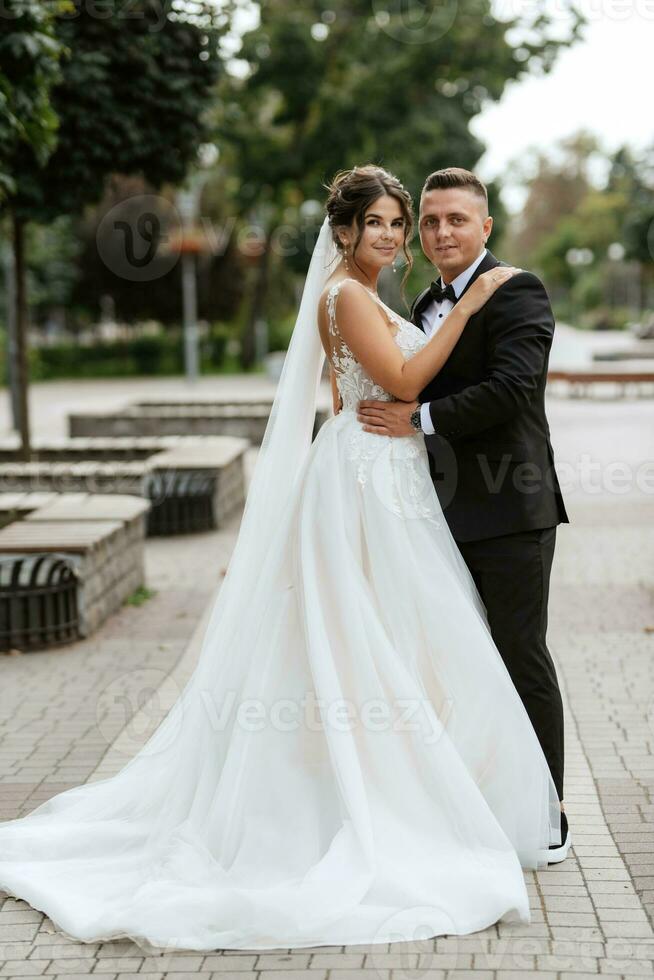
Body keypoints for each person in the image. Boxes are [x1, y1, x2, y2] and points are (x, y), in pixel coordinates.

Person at [0, 165, 561, 953]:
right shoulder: (346, 296)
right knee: (356, 637)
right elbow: (397, 379)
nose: (400, 237)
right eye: (384, 224)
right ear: (344, 232)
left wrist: (433, 364)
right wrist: (465, 309)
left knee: (405, 641)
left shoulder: (387, 296)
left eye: (405, 224)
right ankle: (356, 802)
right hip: (366, 478)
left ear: (478, 227)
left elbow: (397, 388)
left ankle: (460, 797)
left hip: (392, 477)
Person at [357, 167, 571, 863]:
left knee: (519, 657)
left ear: (485, 227)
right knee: (460, 663)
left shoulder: (518, 291)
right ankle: (481, 799)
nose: (441, 231)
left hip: (511, 507)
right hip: (437, 515)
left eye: (456, 219)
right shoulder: (423, 299)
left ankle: (546, 814)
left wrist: (415, 418)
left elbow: (512, 389)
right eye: (431, 221)